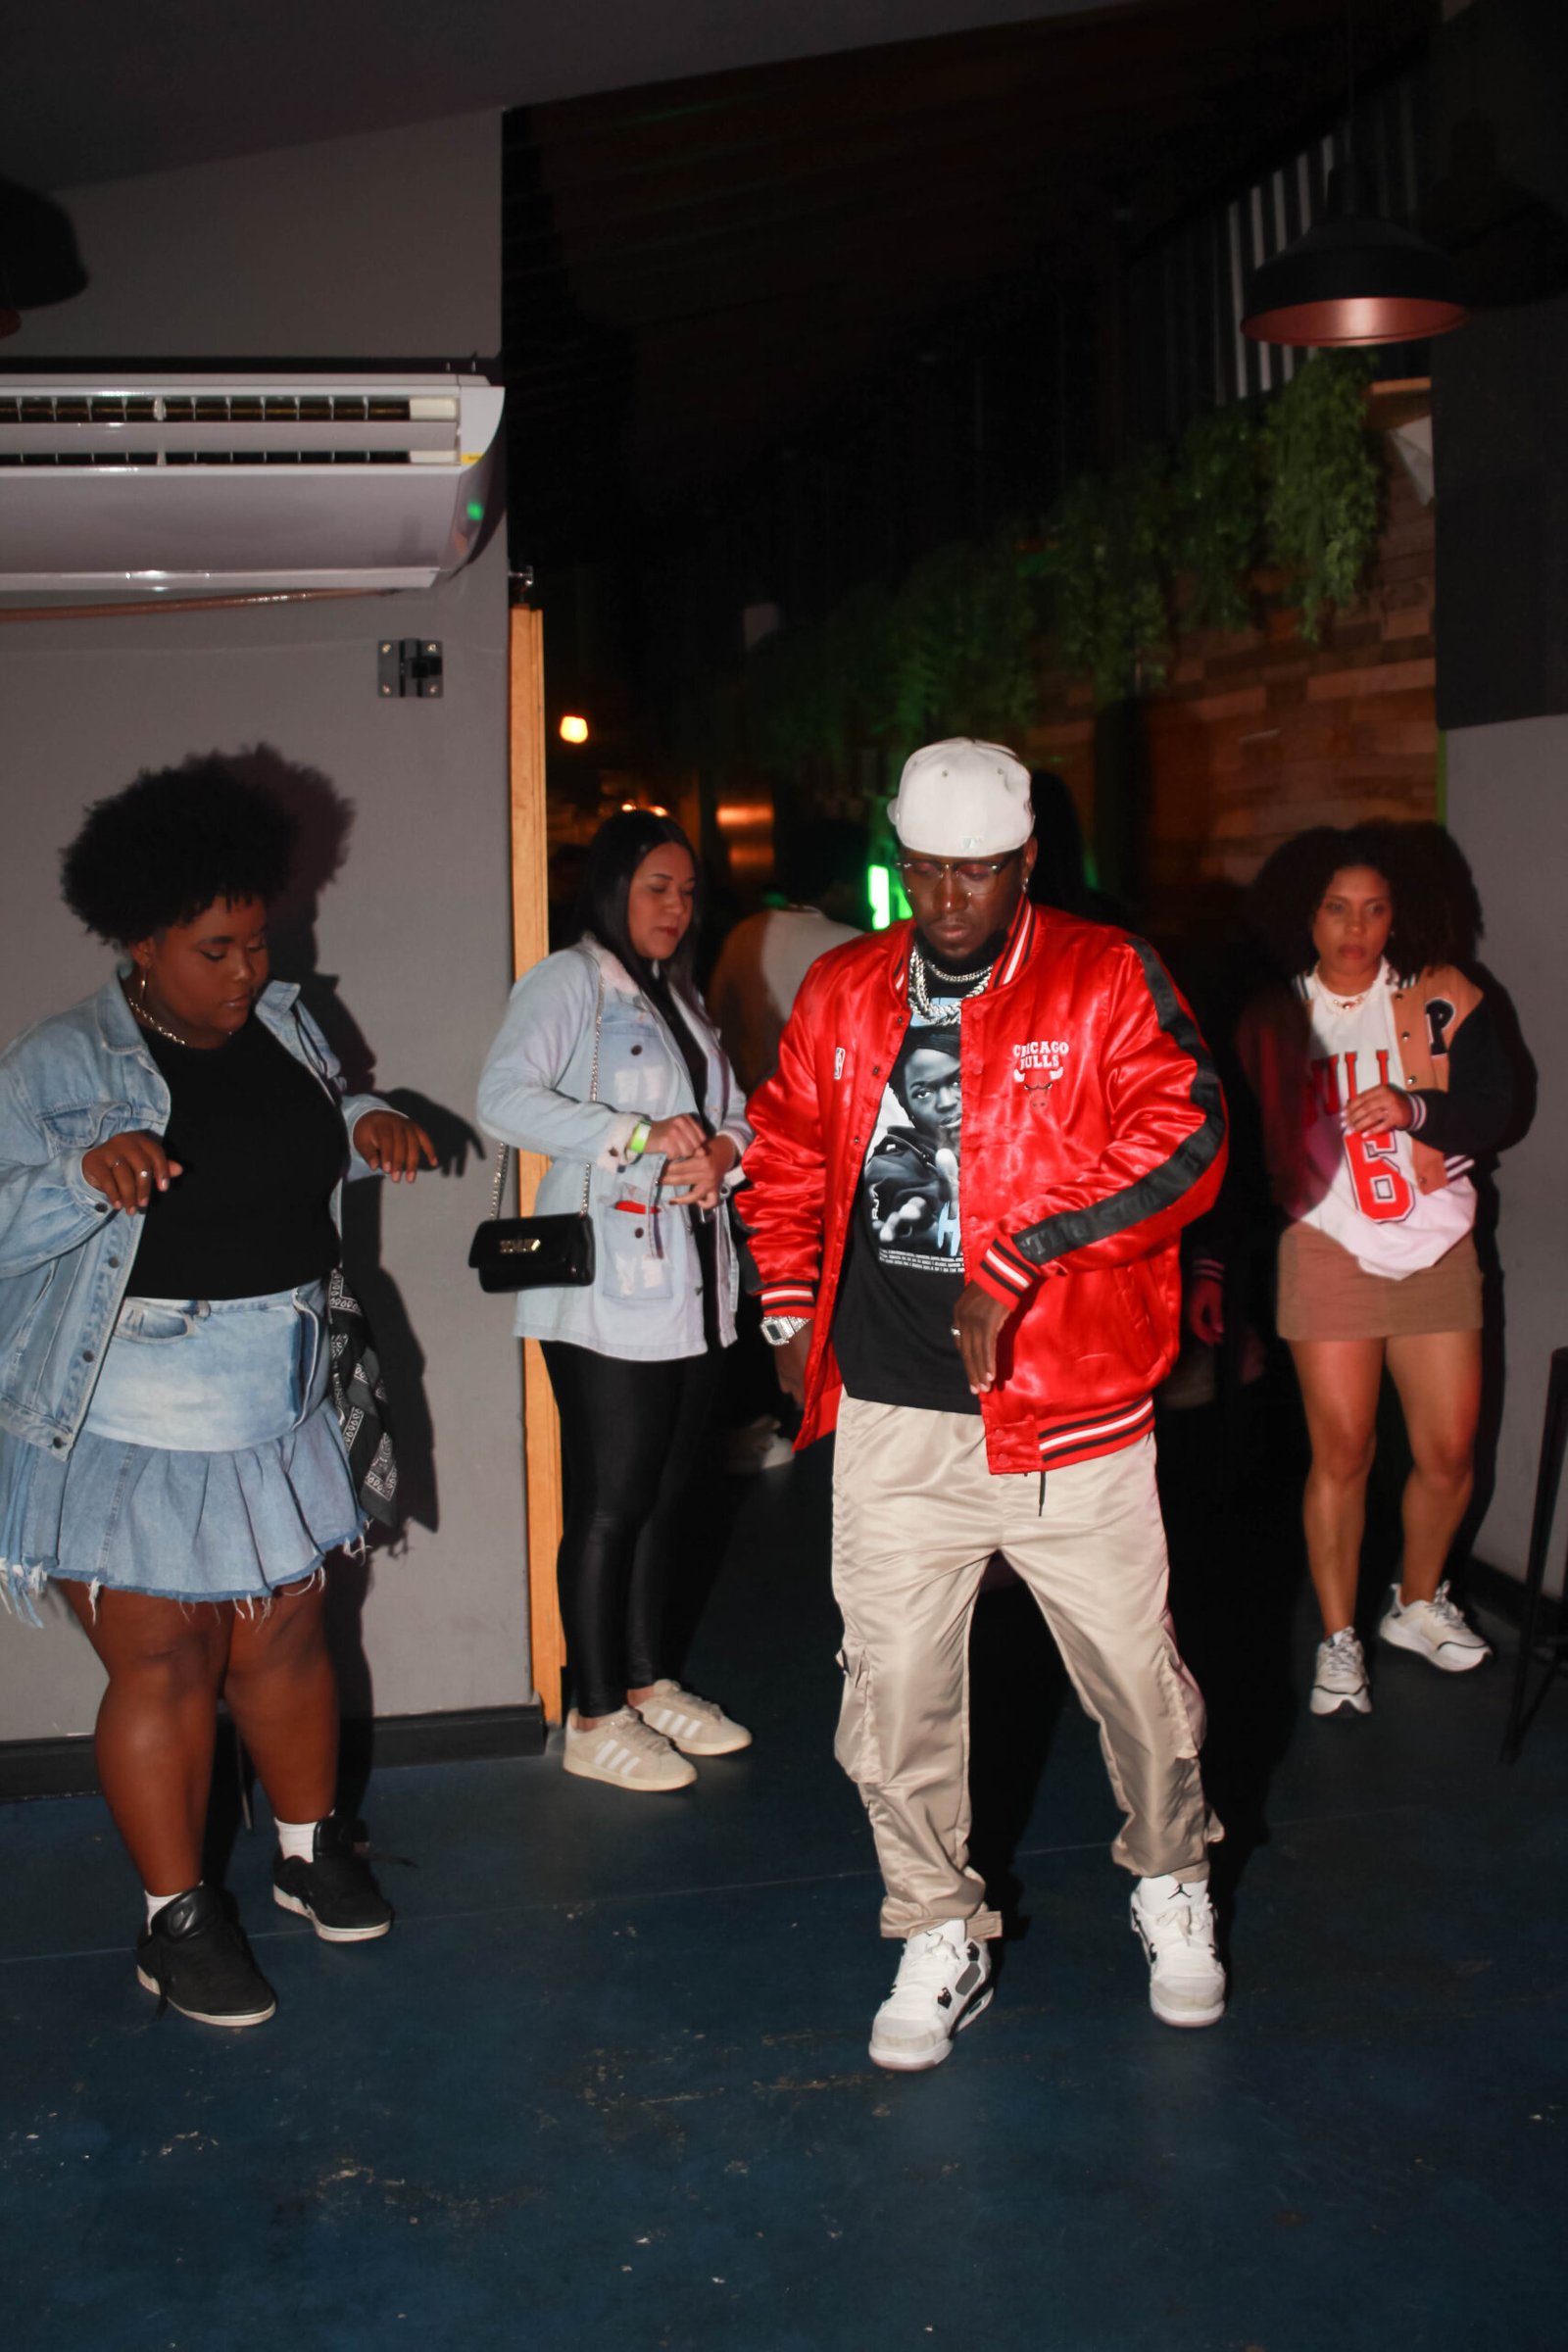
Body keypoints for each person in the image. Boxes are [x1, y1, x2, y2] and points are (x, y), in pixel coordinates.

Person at [741, 737, 1230, 2071]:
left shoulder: (1104, 974)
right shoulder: (844, 988)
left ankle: (1171, 1877)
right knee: (891, 1689)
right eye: (924, 870)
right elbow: (783, 1150)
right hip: (897, 1411)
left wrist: (1023, 1258)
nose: (947, 899)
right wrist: (786, 1310)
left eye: (976, 873)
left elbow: (1189, 1136)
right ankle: (935, 1923)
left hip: (1068, 1405)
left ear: (1024, 865)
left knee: (1134, 1679)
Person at [0, 760, 436, 2030]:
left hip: (279, 1391)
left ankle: (307, 1849)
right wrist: (83, 1176)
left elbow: (299, 1123)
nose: (248, 970)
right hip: (131, 1410)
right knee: (165, 1663)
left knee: (289, 1638)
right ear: (139, 942)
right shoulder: (60, 1061)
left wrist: (364, 1121)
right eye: (216, 950)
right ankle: (175, 1918)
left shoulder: (288, 1023)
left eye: (257, 941)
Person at [1186, 822, 1513, 1718]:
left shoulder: (1444, 996)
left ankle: (1416, 1603)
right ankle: (1339, 1640)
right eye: (1336, 908)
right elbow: (1226, 1150)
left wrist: (1417, 1107)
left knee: (1449, 1452)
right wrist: (1210, 1262)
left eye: (1374, 909)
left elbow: (1500, 1103)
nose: (1356, 928)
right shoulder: (1269, 1017)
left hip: (1437, 1244)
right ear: (1306, 914)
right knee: (1344, 1451)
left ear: (1400, 914)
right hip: (1327, 1247)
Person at [477, 811, 754, 1792]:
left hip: (691, 1281)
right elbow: (502, 1098)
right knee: (612, 1501)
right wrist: (632, 1136)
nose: (676, 907)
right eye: (656, 888)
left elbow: (731, 1112)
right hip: (602, 1285)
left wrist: (726, 1150)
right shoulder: (571, 982)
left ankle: (645, 1683)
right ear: (611, 889)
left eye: (687, 892)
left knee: (666, 1496)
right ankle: (594, 1713)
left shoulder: (677, 992)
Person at [707, 818, 865, 1096]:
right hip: (826, 1105)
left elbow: (719, 1023)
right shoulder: (854, 945)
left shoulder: (744, 934)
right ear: (841, 886)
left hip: (751, 1101)